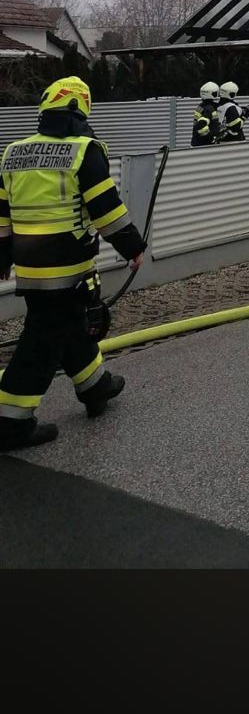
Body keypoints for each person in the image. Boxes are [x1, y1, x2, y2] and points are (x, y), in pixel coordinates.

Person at [0, 76, 146, 453]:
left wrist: (1, 258)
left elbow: (2, 216)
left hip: (30, 271)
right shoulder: (84, 150)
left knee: (67, 327)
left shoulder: (13, 152)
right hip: (67, 269)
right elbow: (106, 210)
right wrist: (133, 246)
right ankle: (10, 424)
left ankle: (95, 387)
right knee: (40, 344)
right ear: (79, 110)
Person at [191, 81, 221, 147]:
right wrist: (210, 137)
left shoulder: (201, 106)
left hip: (196, 142)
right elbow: (200, 125)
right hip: (204, 145)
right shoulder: (209, 109)